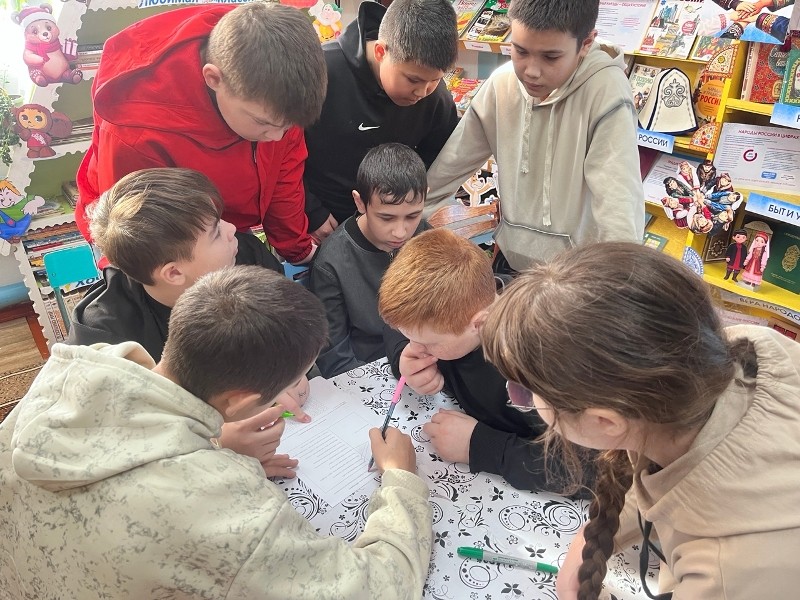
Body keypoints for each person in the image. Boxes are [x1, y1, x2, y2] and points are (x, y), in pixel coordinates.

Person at [0, 266, 432, 599]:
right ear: (242, 401)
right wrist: (400, 481)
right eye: (287, 386)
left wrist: (214, 445)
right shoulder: (227, 512)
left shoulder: (74, 374)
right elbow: (378, 588)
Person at [480, 242, 800, 600]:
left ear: (606, 422)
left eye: (524, 391)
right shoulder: (748, 348)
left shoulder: (725, 576)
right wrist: (592, 539)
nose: (520, 397)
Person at [67, 168, 310, 476]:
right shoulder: (102, 332)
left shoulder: (246, 255)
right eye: (216, 232)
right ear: (173, 273)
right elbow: (110, 441)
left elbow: (287, 333)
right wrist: (215, 443)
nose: (233, 229)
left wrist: (289, 375)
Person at [74, 2, 327, 267]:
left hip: (218, 228)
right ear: (214, 79)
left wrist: (297, 248)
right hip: (151, 240)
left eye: (287, 127)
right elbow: (134, 237)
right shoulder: (135, 130)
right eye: (262, 123)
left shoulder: (277, 94)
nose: (277, 137)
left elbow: (283, 176)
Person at [424, 0, 644, 273]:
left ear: (586, 43)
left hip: (577, 276)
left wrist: (623, 280)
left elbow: (618, 206)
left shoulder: (607, 93)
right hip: (513, 263)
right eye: (520, 51)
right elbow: (450, 165)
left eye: (550, 57)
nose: (531, 71)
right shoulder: (502, 83)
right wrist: (405, 218)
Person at [380, 228, 590, 493]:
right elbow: (397, 327)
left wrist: (480, 446)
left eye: (429, 343)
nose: (417, 348)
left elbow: (593, 468)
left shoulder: (538, 365)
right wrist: (402, 358)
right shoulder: (458, 311)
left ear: (479, 324)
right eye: (410, 337)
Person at [302, 0, 459, 242]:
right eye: (413, 80)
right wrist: (311, 211)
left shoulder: (436, 99)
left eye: (435, 80)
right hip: (322, 225)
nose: (422, 92)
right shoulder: (320, 74)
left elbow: (435, 161)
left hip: (394, 232)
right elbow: (280, 156)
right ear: (380, 52)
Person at [310, 143, 431, 378]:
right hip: (367, 370)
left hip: (425, 359)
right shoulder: (331, 262)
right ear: (359, 202)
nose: (400, 232)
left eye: (413, 216)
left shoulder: (427, 238)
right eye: (386, 218)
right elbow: (333, 354)